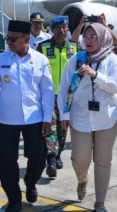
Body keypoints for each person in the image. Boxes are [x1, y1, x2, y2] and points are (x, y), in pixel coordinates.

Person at [0, 20, 54, 212]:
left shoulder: (40, 60)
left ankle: (30, 182)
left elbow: (47, 90)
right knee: (7, 162)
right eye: (8, 38)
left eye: (13, 39)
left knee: (38, 158)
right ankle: (14, 200)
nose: (9, 42)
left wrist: (48, 117)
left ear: (26, 39)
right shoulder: (1, 60)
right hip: (7, 118)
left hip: (35, 119)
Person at [57, 22, 117, 212]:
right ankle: (82, 180)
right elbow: (65, 88)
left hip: (107, 118)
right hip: (80, 117)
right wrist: (64, 113)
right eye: (86, 37)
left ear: (103, 38)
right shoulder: (77, 60)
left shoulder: (112, 61)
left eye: (94, 37)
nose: (89, 41)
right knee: (79, 159)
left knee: (103, 161)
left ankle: (100, 202)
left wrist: (96, 75)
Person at [37, 16, 78, 178]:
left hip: (68, 95)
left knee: (63, 127)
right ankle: (51, 158)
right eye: (58, 28)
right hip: (49, 94)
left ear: (68, 29)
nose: (61, 31)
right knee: (51, 125)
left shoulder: (74, 47)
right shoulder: (43, 47)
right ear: (52, 30)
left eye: (64, 27)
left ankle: (59, 154)